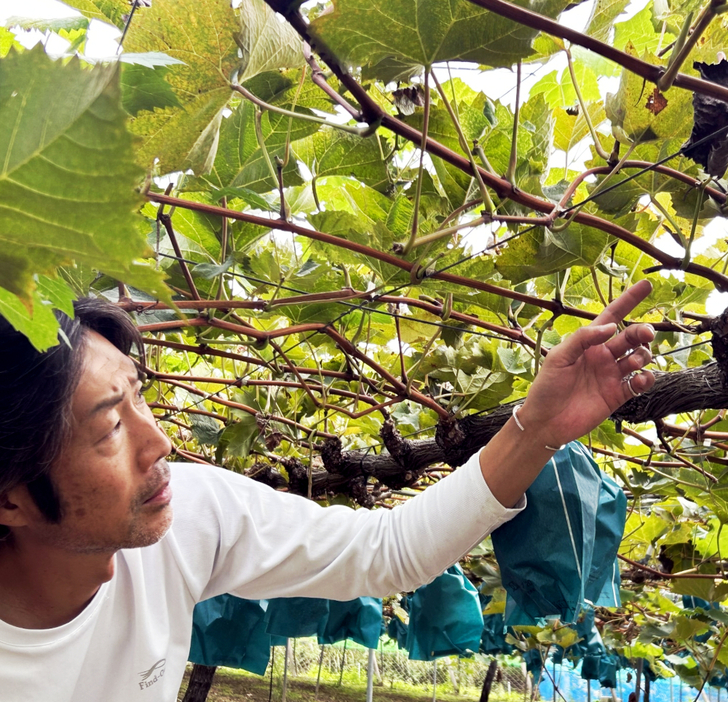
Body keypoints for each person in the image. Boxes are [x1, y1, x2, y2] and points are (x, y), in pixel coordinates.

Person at [0, 281, 655, 701]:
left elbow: (386, 550)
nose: (160, 443)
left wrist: (533, 430)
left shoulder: (190, 517)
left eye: (139, 395)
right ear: (11, 499)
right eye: (112, 425)